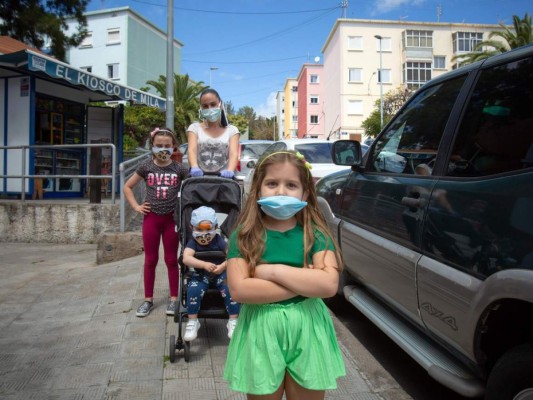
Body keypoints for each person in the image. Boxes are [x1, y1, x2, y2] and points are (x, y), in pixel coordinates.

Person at [223, 150, 346, 399]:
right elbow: (240, 290)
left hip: (308, 329)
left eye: (291, 185)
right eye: (272, 183)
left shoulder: (316, 235)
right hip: (261, 330)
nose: (281, 191)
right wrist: (304, 280)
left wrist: (271, 271)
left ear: (305, 193)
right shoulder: (244, 237)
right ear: (258, 190)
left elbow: (329, 285)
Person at [123, 127, 188, 318]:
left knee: (171, 260)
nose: (163, 149)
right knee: (150, 260)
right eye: (159, 145)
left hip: (171, 220)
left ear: (174, 147)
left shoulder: (180, 168)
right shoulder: (146, 166)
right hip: (151, 219)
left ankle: (174, 299)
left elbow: (192, 185)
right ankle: (148, 299)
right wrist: (136, 206)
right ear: (152, 146)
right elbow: (127, 186)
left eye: (167, 146)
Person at [182, 206, 240, 341]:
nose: (204, 234)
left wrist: (222, 266)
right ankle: (193, 321)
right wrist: (204, 264)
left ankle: (233, 320)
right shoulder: (193, 243)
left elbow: (232, 255)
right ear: (192, 228)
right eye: (199, 229)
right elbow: (186, 258)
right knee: (193, 290)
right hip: (201, 275)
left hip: (221, 273)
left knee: (230, 288)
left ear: (215, 227)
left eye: (208, 229)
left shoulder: (218, 240)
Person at [187, 88, 240, 178]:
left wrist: (230, 170)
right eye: (205, 106)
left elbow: (233, 153)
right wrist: (194, 167)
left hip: (223, 181)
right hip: (200, 180)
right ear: (201, 108)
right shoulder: (194, 128)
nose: (210, 109)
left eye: (213, 104)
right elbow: (191, 150)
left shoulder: (232, 130)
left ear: (220, 104)